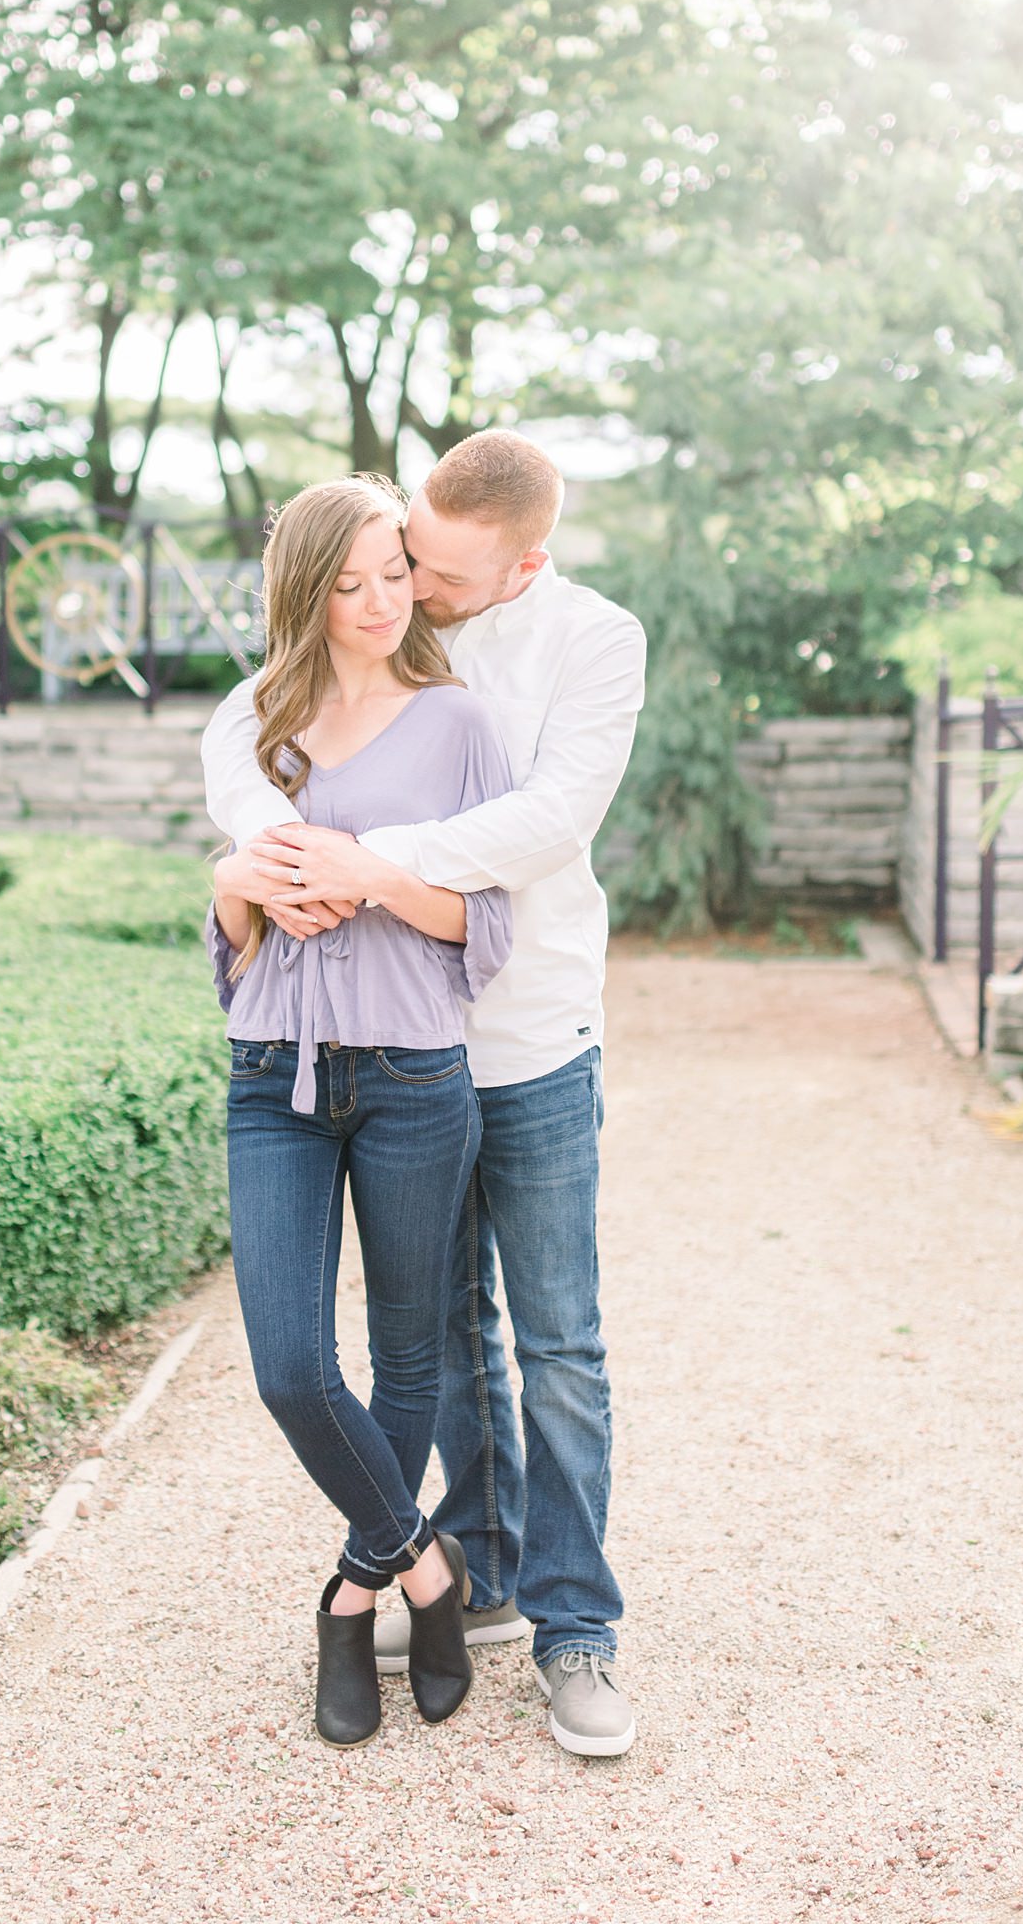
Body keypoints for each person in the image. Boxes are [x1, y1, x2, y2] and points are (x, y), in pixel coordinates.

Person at [203, 429, 646, 1759]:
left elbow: (543, 827)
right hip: (395, 1045)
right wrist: (252, 862)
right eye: (396, 560)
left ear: (524, 562)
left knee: (557, 1346)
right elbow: (246, 757)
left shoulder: (589, 641)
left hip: (532, 1033)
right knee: (446, 1346)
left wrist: (358, 862)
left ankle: (577, 1633)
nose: (409, 590)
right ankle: (469, 1571)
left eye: (433, 573)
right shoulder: (351, 655)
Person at [206, 474, 514, 1749]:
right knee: (287, 1364)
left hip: (412, 1077)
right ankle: (421, 1568)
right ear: (305, 590)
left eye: (396, 572)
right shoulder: (257, 724)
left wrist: (374, 878)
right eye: (350, 583)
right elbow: (230, 939)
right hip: (273, 1074)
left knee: (409, 1361)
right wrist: (238, 886)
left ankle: (349, 1600)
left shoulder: (458, 724)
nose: (381, 600)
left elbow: (484, 927)